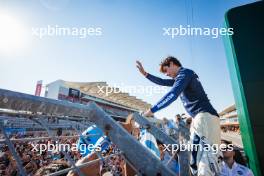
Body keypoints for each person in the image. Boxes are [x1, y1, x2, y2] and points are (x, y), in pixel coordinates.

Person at [136, 56, 221, 175]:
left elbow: (173, 94)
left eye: (166, 70)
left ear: (172, 64)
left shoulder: (185, 73)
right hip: (203, 119)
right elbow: (163, 82)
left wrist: (151, 110)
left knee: (204, 164)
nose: (166, 74)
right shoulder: (183, 76)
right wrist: (145, 74)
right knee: (198, 164)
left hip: (205, 117)